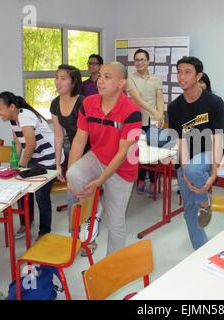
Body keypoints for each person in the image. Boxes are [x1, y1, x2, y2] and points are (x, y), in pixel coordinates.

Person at [66, 62, 142, 255]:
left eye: (107, 77)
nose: (100, 81)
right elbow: (79, 141)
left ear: (121, 83)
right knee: (73, 174)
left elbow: (123, 153)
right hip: (97, 157)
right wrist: (70, 176)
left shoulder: (132, 111)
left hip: (123, 168)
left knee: (116, 221)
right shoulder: (88, 103)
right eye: (100, 75)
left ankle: (112, 267)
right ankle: (95, 208)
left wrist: (100, 181)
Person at [167, 56, 224, 250]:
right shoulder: (174, 107)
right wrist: (185, 173)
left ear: (199, 75)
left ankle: (204, 200)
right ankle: (201, 250)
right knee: (188, 211)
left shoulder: (214, 102)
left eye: (187, 72)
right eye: (179, 72)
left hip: (209, 153)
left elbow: (216, 138)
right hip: (186, 157)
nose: (182, 77)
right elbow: (180, 142)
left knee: (194, 170)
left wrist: (213, 173)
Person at [50, 64, 101, 255]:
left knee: (84, 194)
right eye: (56, 77)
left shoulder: (83, 102)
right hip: (75, 150)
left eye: (63, 78)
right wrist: (57, 164)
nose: (58, 81)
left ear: (73, 82)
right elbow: (57, 135)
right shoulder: (55, 104)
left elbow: (87, 136)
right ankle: (75, 235)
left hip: (93, 150)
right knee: (73, 196)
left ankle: (89, 239)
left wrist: (72, 170)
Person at [0, 91, 59, 240]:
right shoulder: (13, 119)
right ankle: (26, 222)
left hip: (49, 158)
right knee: (21, 189)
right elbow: (18, 144)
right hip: (35, 157)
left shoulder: (25, 115)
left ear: (11, 107)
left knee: (41, 194)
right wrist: (14, 165)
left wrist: (21, 166)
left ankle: (44, 231)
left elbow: (30, 144)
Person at [126, 49, 164, 195]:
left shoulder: (156, 78)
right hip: (137, 121)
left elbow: (159, 98)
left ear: (148, 61)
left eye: (142, 59)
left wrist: (160, 115)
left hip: (154, 121)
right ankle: (141, 179)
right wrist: (155, 112)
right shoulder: (130, 78)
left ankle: (154, 181)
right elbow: (137, 99)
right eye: (137, 59)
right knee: (139, 152)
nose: (139, 62)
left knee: (153, 152)